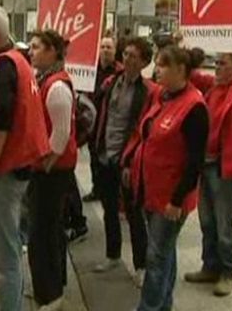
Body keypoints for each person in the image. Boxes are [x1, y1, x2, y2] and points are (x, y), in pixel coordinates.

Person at [0, 4, 49, 311]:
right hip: (18, 167)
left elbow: (1, 123)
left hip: (4, 171)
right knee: (10, 246)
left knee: (5, 255)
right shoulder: (18, 61)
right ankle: (9, 302)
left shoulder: (5, 65)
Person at [124, 46, 209, 311]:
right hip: (152, 190)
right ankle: (163, 305)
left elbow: (195, 162)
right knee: (164, 251)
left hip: (171, 198)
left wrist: (176, 200)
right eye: (157, 64)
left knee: (156, 257)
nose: (156, 70)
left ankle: (148, 307)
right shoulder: (162, 96)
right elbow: (146, 136)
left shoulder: (194, 107)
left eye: (162, 65)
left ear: (180, 70)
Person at [185, 31, 232, 297]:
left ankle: (227, 272)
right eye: (216, 63)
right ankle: (210, 266)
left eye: (223, 63)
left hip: (224, 167)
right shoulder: (213, 87)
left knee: (222, 222)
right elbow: (190, 75)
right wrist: (183, 47)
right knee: (207, 220)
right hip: (205, 165)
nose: (217, 67)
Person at [92, 37, 154, 287]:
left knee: (133, 212)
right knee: (108, 208)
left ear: (143, 62)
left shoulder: (147, 91)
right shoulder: (111, 82)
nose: (127, 59)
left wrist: (132, 160)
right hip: (105, 154)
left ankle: (141, 265)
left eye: (133, 56)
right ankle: (113, 254)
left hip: (127, 159)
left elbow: (144, 128)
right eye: (125, 54)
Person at [28, 30, 77, 310]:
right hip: (50, 169)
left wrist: (45, 164)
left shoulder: (56, 86)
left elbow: (61, 133)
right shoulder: (47, 80)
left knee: (42, 234)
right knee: (50, 231)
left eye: (36, 47)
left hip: (51, 172)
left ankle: (49, 294)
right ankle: (53, 288)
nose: (31, 52)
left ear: (52, 52)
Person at [83, 36, 117, 202]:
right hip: (93, 123)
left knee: (108, 161)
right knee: (94, 158)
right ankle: (96, 189)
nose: (105, 50)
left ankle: (111, 194)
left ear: (114, 51)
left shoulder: (118, 72)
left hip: (109, 123)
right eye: (102, 47)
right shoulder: (91, 70)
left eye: (109, 47)